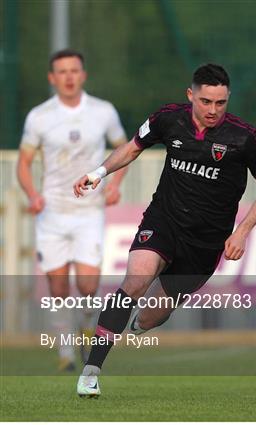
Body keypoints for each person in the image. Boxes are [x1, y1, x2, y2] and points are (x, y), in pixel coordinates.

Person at [73, 63, 256, 398]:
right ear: (190, 95)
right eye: (206, 101)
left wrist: (241, 232)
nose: (213, 110)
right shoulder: (169, 118)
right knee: (136, 280)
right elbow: (133, 147)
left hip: (205, 243)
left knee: (152, 316)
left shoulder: (244, 137)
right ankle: (91, 372)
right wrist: (98, 173)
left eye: (220, 103)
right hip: (163, 220)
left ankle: (134, 324)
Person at [17, 49, 128, 371]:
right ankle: (66, 353)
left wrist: (117, 184)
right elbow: (23, 164)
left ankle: (87, 324)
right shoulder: (39, 116)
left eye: (74, 70)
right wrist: (32, 194)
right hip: (51, 212)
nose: (68, 77)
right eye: (61, 72)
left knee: (89, 285)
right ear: (52, 78)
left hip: (88, 210)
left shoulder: (102, 111)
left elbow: (125, 149)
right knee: (58, 287)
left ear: (83, 75)